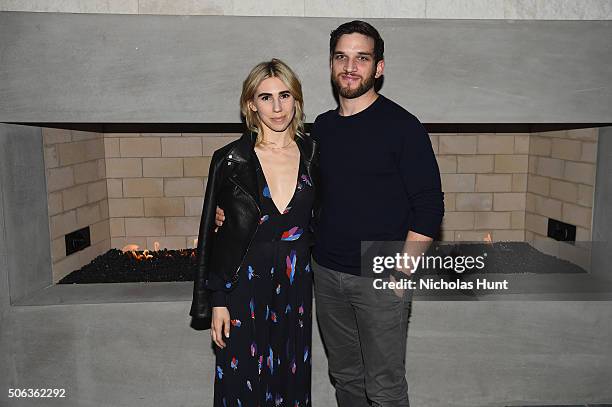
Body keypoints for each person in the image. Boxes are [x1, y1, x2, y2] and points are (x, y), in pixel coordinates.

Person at [216, 21, 444, 407]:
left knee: (385, 389)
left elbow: (429, 207)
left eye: (362, 58)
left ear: (379, 67)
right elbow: (290, 194)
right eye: (342, 57)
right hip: (323, 274)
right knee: (346, 380)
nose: (350, 67)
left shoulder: (403, 127)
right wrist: (234, 216)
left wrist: (401, 272)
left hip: (379, 275)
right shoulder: (318, 131)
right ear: (331, 64)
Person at [190, 58, 318, 407]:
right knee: (240, 381)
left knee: (290, 380)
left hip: (295, 287)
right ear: (251, 104)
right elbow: (212, 235)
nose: (277, 108)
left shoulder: (315, 153)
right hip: (242, 285)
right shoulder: (230, 160)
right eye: (265, 97)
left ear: (297, 99)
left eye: (285, 95)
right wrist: (216, 300)